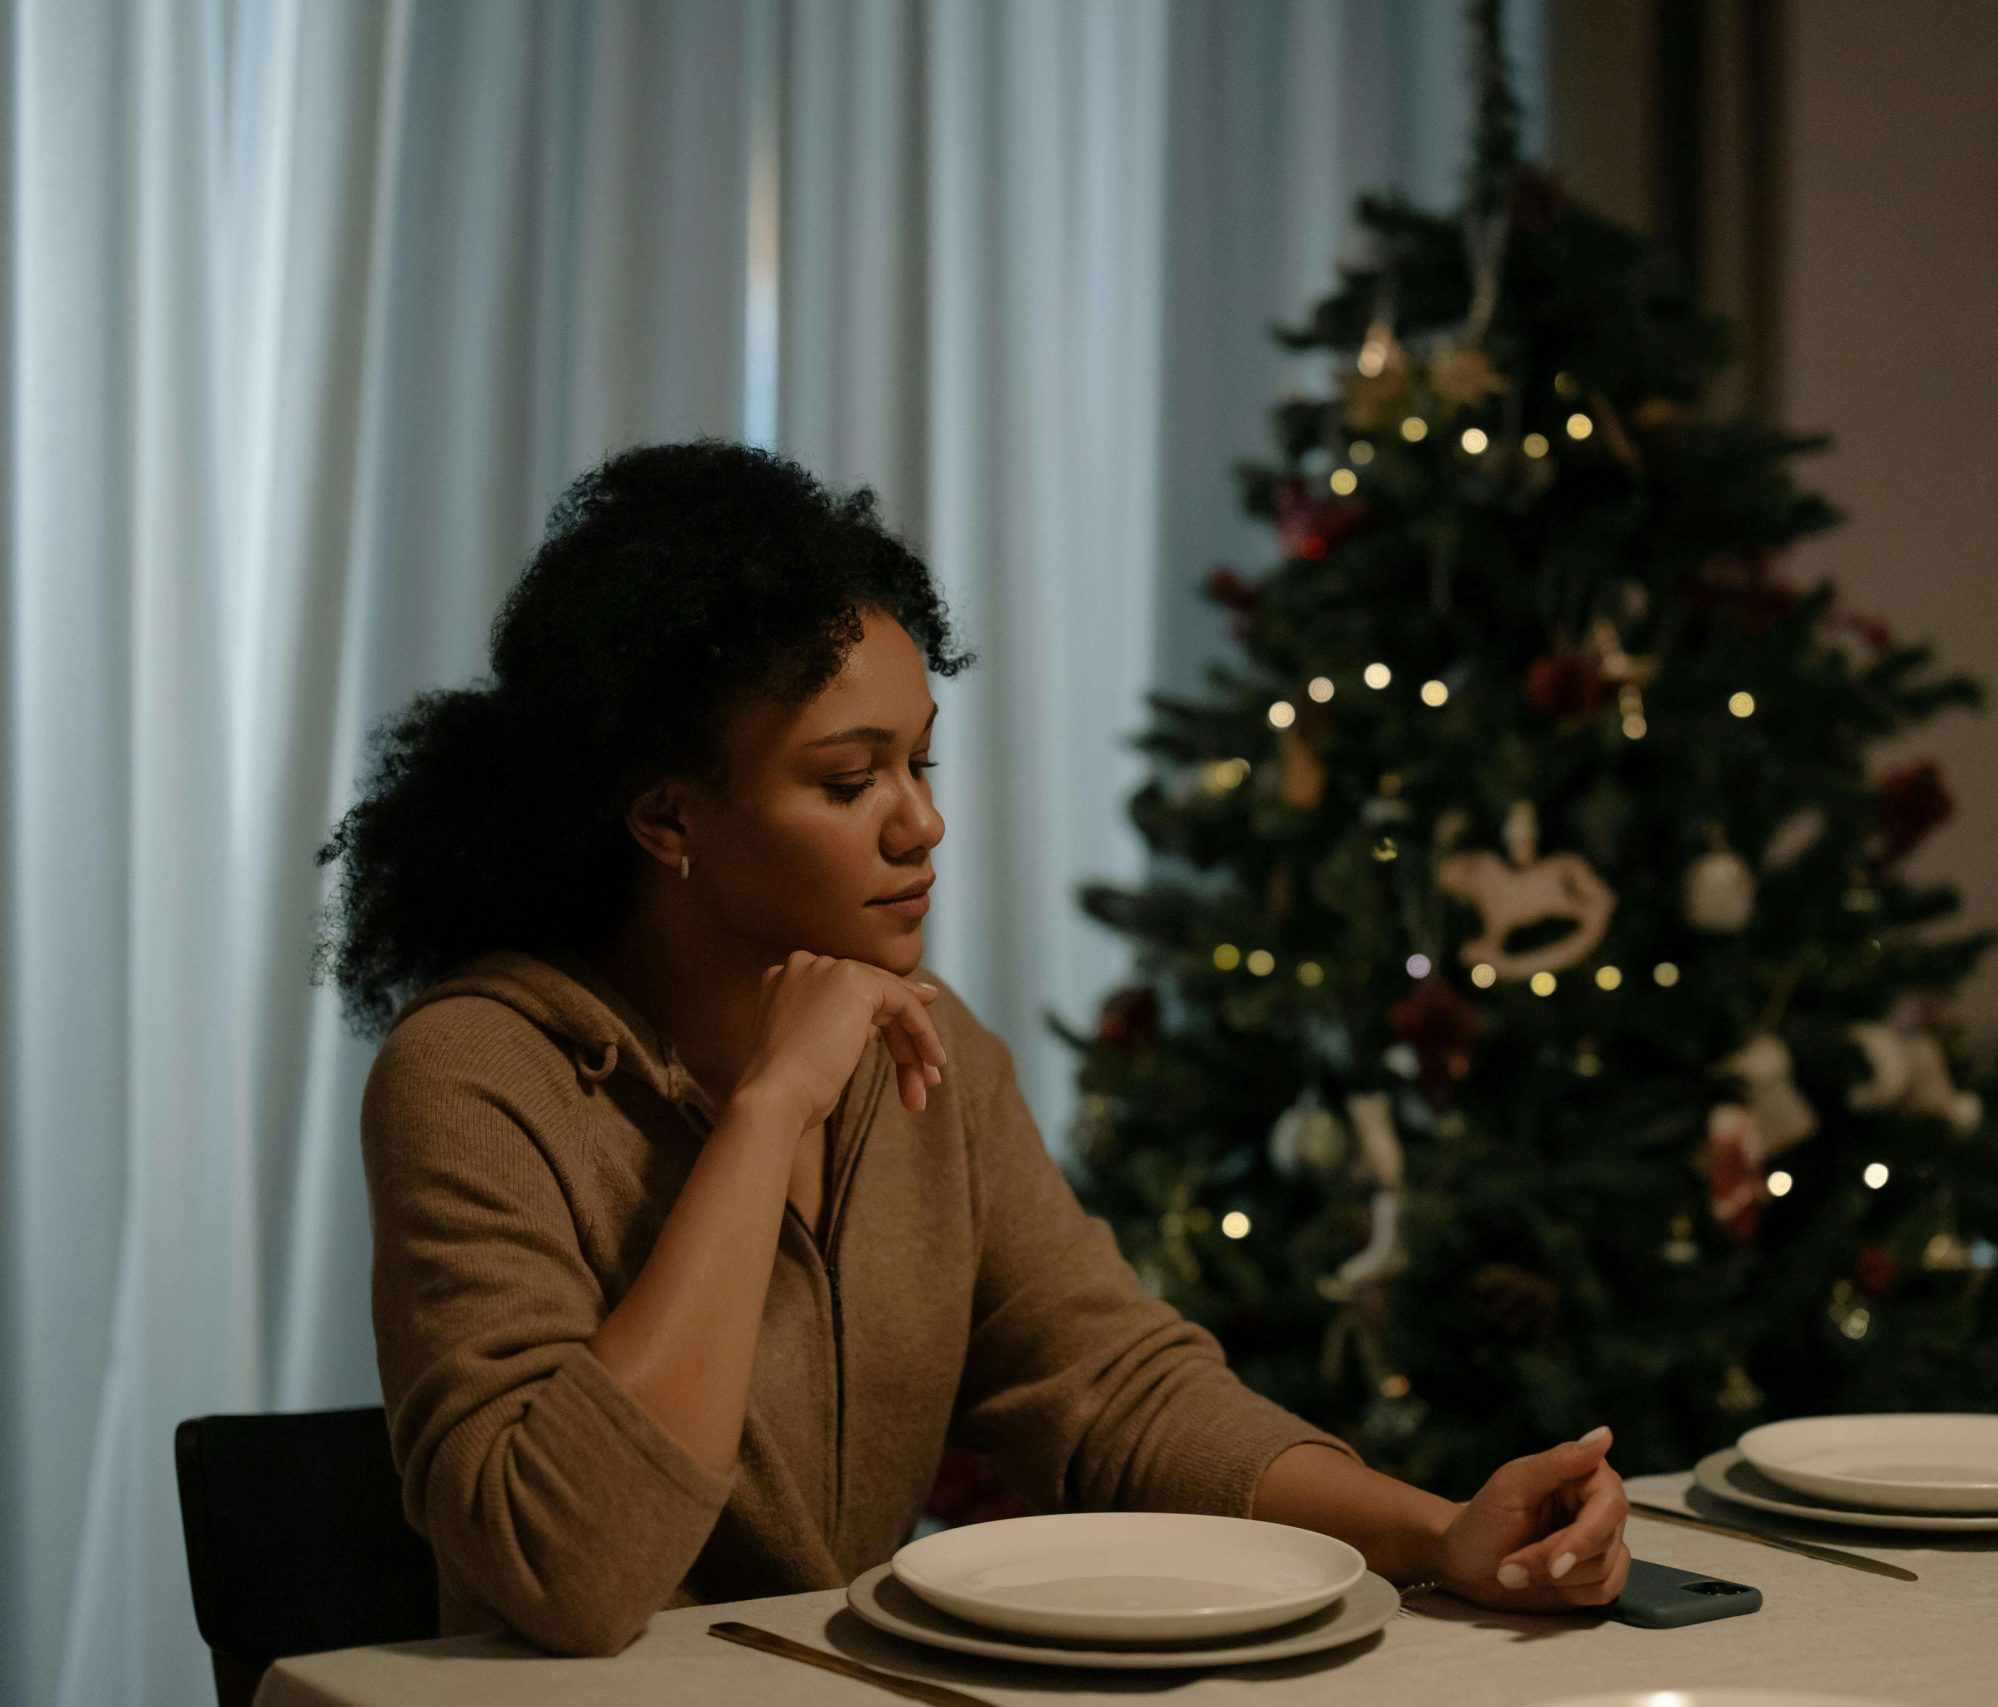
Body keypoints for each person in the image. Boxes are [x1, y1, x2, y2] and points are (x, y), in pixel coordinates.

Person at [317, 441, 1631, 1657]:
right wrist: (770, 1109)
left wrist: (1437, 1529)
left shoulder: (937, 1063)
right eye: (849, 781)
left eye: (921, 767)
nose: (919, 827)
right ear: (668, 819)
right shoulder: (479, 1074)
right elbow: (573, 1572)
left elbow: (1113, 1390)